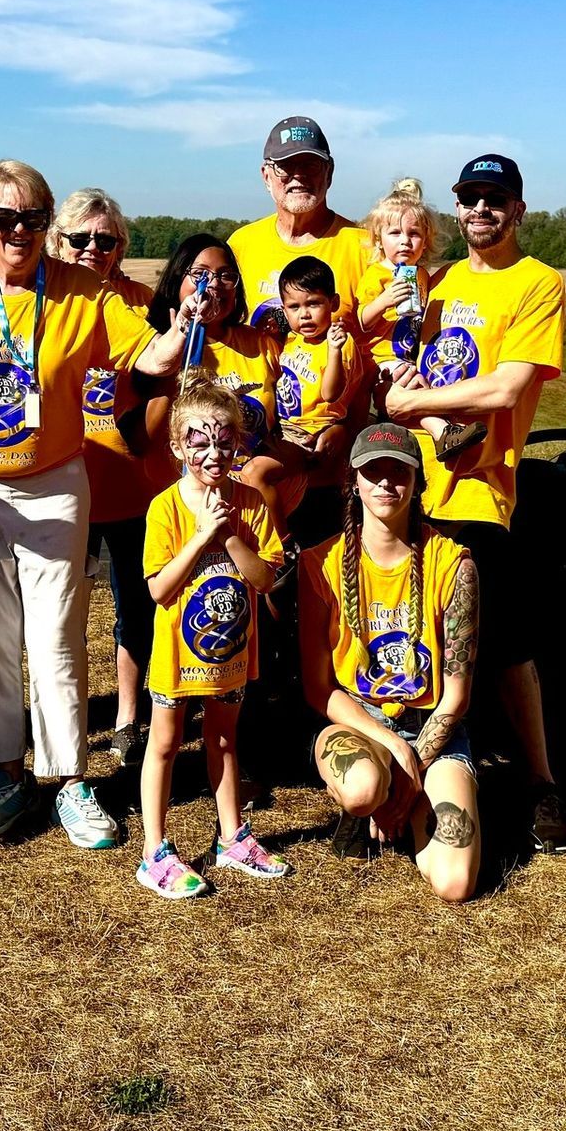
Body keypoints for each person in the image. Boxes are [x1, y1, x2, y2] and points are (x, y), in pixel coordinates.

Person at [0, 161, 200, 848]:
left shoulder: (84, 292)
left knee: (54, 637)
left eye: (30, 219)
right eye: (1, 218)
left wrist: (186, 324)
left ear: (44, 223)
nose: (16, 231)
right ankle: (8, 775)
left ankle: (72, 780)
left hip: (54, 483)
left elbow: (152, 357)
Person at [383, 153, 566, 854]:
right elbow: (399, 349)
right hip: (411, 486)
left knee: (500, 645)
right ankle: (418, 771)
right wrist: (407, 393)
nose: (481, 211)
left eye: (496, 199)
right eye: (469, 198)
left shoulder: (538, 283)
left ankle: (542, 782)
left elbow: (504, 389)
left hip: (482, 491)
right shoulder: (436, 283)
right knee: (413, 634)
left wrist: (413, 403)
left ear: (518, 210)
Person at [298, 423, 480, 902]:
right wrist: (390, 747)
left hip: (434, 730)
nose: (385, 484)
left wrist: (414, 762)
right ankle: (366, 804)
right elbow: (319, 689)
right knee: (361, 788)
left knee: (455, 883)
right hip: (359, 723)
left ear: (418, 481)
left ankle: (403, 807)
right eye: (372, 472)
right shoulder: (321, 564)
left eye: (398, 472)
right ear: (353, 482)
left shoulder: (454, 564)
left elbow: (456, 697)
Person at [135, 380, 288, 898]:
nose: (213, 453)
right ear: (177, 447)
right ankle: (154, 850)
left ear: (239, 444)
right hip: (177, 655)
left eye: (224, 442)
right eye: (198, 443)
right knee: (166, 743)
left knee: (224, 741)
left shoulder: (250, 503)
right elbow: (159, 588)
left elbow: (266, 578)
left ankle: (231, 836)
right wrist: (201, 534)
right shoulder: (165, 509)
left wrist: (227, 536)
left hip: (230, 652)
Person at [51, 191, 160, 764]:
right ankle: (62, 714)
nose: (94, 248)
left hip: (129, 483)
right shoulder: (44, 297)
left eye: (107, 239)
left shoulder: (141, 304)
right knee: (58, 608)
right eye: (80, 238)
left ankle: (125, 716)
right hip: (62, 481)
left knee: (133, 607)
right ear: (58, 240)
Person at [140, 235, 288, 514]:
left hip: (251, 506)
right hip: (182, 508)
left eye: (225, 276)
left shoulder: (259, 344)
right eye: (199, 274)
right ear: (177, 280)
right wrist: (176, 349)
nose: (213, 284)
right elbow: (143, 439)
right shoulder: (152, 346)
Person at [356, 179, 484, 462]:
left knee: (426, 384)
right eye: (394, 233)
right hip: (382, 358)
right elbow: (362, 321)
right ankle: (442, 433)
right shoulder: (377, 274)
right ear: (379, 239)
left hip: (410, 355)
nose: (405, 240)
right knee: (413, 386)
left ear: (426, 240)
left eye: (414, 233)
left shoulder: (424, 276)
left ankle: (447, 431)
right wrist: (384, 301)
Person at [227, 116, 374, 337]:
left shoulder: (366, 248)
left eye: (311, 165)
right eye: (284, 167)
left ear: (329, 172)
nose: (298, 176)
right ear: (266, 176)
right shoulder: (240, 245)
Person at [275, 255, 357, 453]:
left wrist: (334, 350)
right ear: (284, 311)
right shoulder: (290, 339)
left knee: (259, 471)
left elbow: (330, 394)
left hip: (311, 432)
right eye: (294, 307)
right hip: (280, 427)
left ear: (333, 303)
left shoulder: (339, 341)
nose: (304, 314)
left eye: (314, 304)